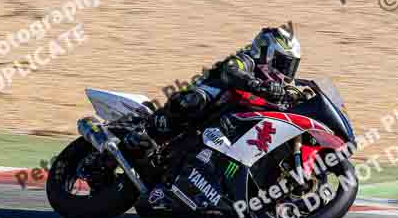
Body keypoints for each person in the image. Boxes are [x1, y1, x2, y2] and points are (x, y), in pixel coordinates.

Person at [124, 25, 302, 152]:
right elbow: (232, 70)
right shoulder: (246, 60)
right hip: (208, 104)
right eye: (284, 64)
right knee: (195, 100)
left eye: (291, 66)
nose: (286, 72)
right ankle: (150, 128)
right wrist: (256, 84)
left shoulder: (278, 86)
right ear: (267, 52)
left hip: (228, 126)